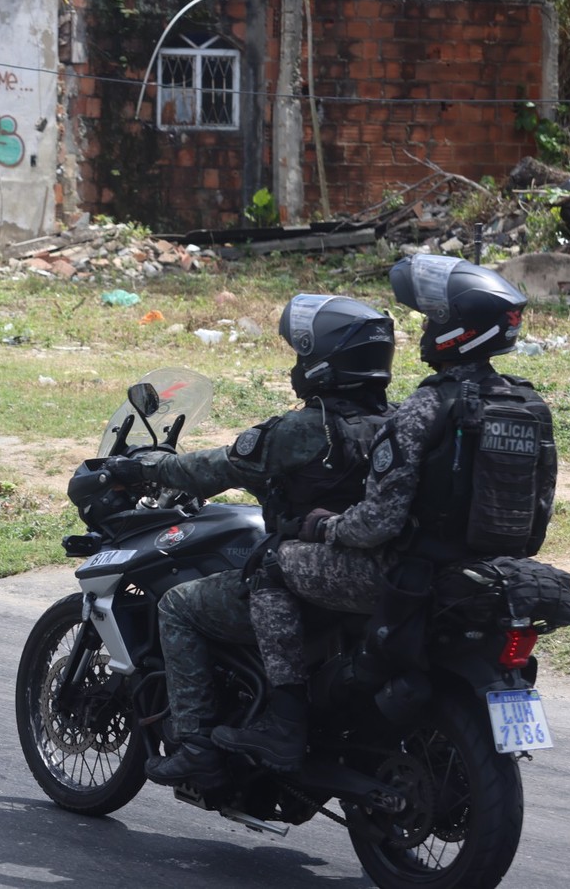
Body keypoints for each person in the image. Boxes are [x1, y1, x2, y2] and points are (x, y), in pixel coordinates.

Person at [208, 254, 557, 773]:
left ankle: (284, 719)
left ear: (456, 331)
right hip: (492, 574)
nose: (425, 330)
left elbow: (377, 524)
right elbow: (540, 510)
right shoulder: (529, 406)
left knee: (273, 567)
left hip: (410, 574)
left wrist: (325, 525)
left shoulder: (426, 408)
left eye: (434, 320)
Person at [102, 294, 396, 787]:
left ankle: (196, 745)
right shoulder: (399, 422)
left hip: (316, 574)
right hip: (378, 576)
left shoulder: (306, 429)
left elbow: (213, 468)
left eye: (304, 355)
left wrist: (146, 464)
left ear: (322, 363)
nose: (299, 365)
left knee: (179, 606)